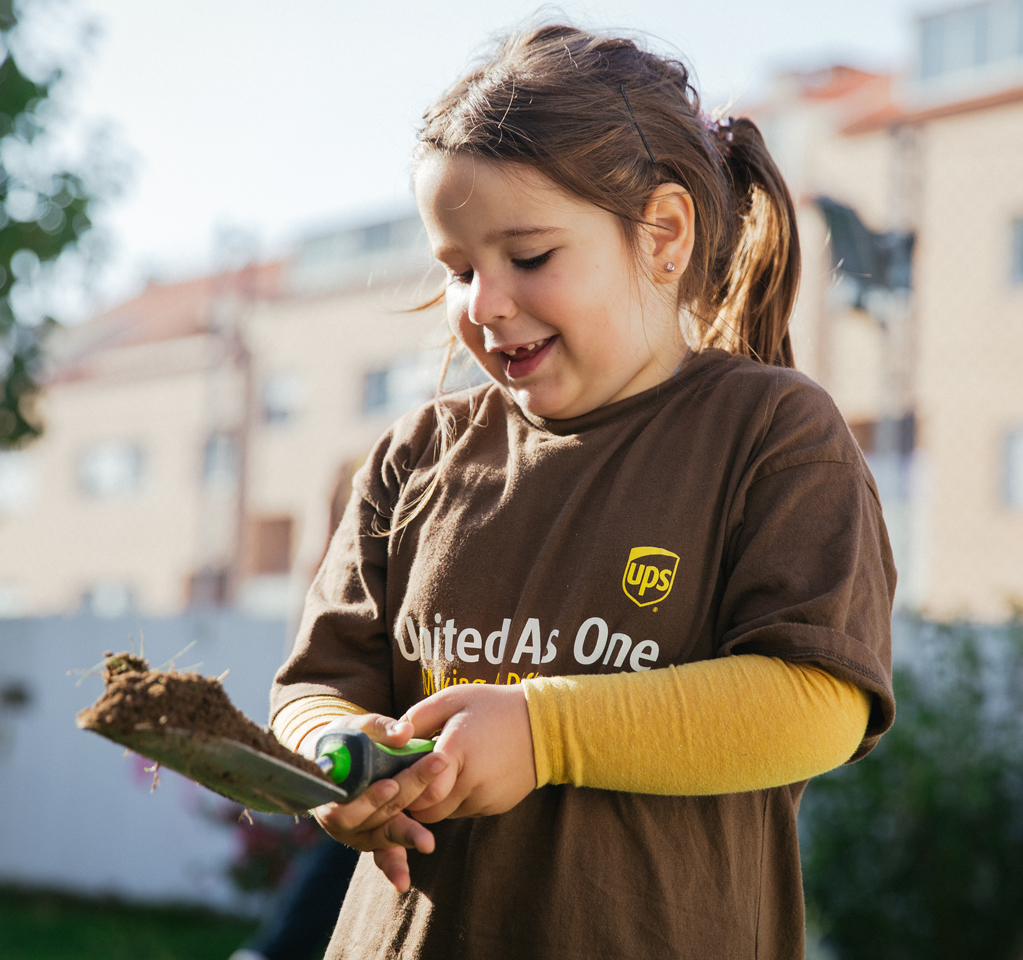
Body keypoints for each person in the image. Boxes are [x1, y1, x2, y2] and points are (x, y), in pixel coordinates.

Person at [269, 24, 896, 960]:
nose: (483, 302)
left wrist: (543, 732)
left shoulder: (770, 434)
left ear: (663, 234)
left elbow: (817, 700)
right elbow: (314, 689)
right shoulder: (414, 456)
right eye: (458, 269)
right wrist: (340, 761)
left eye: (527, 257)